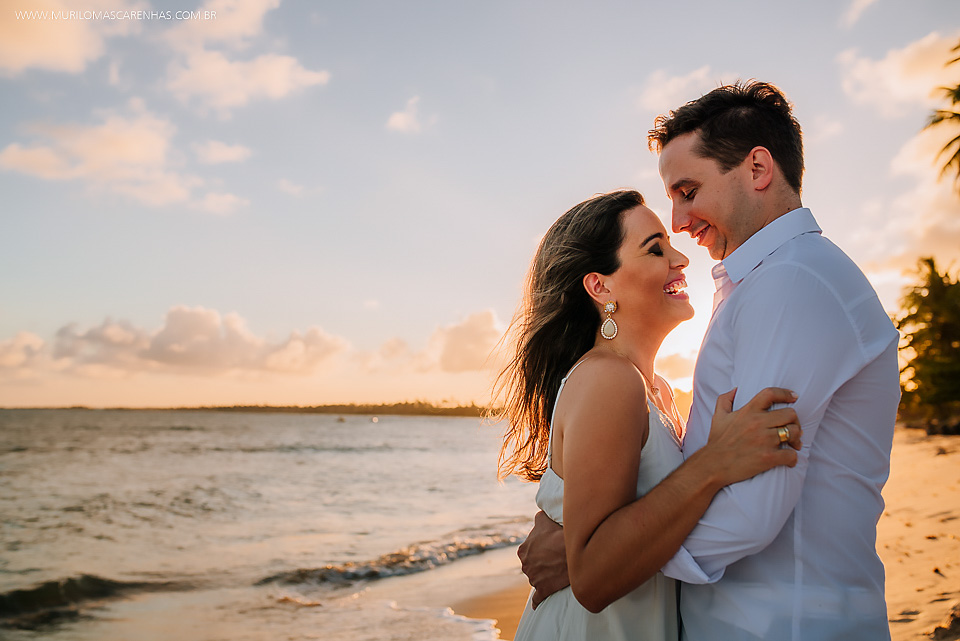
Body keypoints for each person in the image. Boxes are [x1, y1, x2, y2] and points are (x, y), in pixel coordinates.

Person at [518, 81, 901, 640]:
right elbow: (707, 471)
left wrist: (589, 560)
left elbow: (748, 510)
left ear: (758, 169)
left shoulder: (789, 284)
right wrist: (591, 546)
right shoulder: (762, 286)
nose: (678, 223)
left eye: (687, 190)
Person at [495, 188, 803, 641]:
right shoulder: (608, 379)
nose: (680, 259)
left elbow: (646, 519)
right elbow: (595, 580)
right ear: (601, 286)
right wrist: (716, 462)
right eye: (655, 248)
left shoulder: (654, 389)